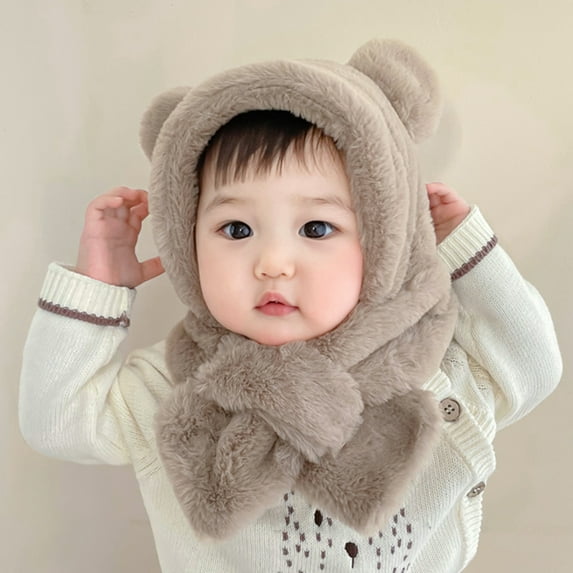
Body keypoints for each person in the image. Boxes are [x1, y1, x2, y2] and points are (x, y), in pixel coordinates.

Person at [19, 39, 562, 573]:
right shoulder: (174, 385)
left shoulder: (428, 371)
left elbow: (533, 365)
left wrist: (467, 250)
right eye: (236, 229)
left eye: (317, 228)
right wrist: (100, 285)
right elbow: (59, 423)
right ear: (187, 244)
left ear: (386, 241)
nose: (273, 263)